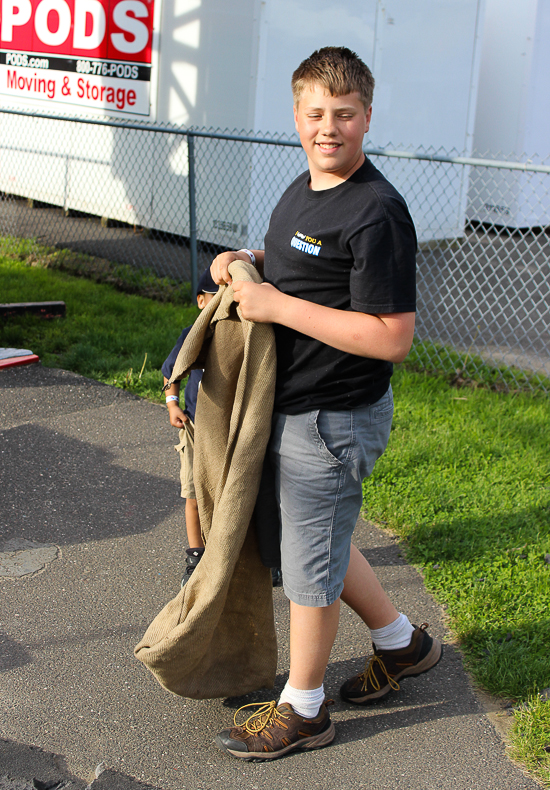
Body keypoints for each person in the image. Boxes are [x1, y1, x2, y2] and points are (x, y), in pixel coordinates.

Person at [210, 46, 443, 760]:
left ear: (367, 116)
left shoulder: (377, 212)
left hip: (332, 419)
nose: (328, 127)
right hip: (291, 407)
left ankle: (305, 712)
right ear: (297, 115)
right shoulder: (303, 190)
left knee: (309, 565)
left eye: (344, 114)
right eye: (315, 113)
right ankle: (403, 645)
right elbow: (297, 271)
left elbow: (389, 336)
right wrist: (242, 265)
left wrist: (274, 304)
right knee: (319, 546)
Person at [162, 268, 218, 580]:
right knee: (194, 495)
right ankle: (197, 556)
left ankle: (247, 556)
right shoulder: (192, 335)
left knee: (234, 496)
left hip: (228, 429)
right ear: (201, 301)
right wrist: (172, 404)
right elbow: (172, 372)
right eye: (216, 298)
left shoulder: (242, 337)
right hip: (195, 427)